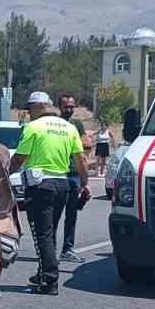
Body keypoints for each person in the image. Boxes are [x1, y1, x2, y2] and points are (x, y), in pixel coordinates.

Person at [7, 91, 86, 295]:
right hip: (62, 184)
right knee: (50, 231)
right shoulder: (69, 128)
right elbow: (81, 160)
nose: (29, 113)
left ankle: (50, 280)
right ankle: (43, 272)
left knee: (41, 233)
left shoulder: (33, 127)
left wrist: (4, 176)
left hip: (40, 185)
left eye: (30, 109)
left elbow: (19, 158)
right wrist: (85, 184)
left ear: (38, 107)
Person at [54, 94, 92, 261]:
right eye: (66, 106)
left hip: (74, 174)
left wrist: (85, 180)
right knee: (54, 215)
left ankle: (67, 249)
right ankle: (50, 250)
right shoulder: (54, 124)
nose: (69, 109)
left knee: (72, 214)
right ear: (59, 107)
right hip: (58, 174)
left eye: (71, 106)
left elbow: (86, 145)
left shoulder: (77, 124)